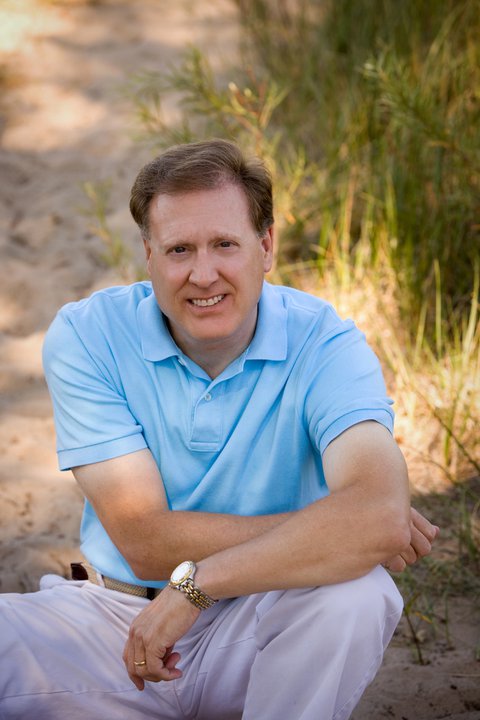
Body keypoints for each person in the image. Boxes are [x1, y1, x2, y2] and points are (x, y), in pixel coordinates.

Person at [0, 139, 439, 720]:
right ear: (149, 254)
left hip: (262, 623)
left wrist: (199, 585)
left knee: (356, 595)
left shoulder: (327, 344)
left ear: (266, 246)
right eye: (179, 248)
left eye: (224, 244)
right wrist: (336, 526)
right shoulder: (88, 336)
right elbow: (145, 541)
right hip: (112, 623)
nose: (203, 274)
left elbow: (378, 516)